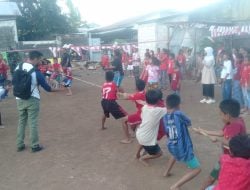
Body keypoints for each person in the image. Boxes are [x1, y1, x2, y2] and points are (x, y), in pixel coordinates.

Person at [197, 99, 246, 190]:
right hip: (230, 158)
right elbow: (222, 132)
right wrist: (205, 131)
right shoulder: (235, 121)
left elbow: (232, 143)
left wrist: (218, 139)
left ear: (227, 116)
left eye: (221, 114)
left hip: (232, 159)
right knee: (212, 178)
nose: (220, 116)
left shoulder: (234, 126)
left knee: (211, 178)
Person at [15, 51, 55, 153]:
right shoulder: (35, 71)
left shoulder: (18, 67)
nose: (40, 62)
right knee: (33, 123)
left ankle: (19, 144)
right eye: (40, 60)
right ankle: (34, 145)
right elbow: (47, 88)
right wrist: (55, 88)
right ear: (36, 59)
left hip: (19, 98)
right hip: (32, 98)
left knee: (22, 121)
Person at [163, 94, 201, 190]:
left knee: (174, 155)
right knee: (197, 169)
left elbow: (167, 131)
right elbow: (189, 122)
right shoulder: (179, 114)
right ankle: (176, 186)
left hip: (171, 144)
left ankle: (166, 172)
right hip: (183, 147)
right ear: (178, 105)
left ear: (166, 104)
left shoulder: (165, 116)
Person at [135, 89, 166, 166]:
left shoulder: (144, 107)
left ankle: (137, 154)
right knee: (159, 153)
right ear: (158, 101)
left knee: (142, 142)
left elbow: (146, 105)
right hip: (147, 138)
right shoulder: (159, 110)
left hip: (139, 133)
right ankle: (142, 158)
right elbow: (168, 109)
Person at [101, 71, 128, 143]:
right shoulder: (114, 84)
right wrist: (122, 93)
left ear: (105, 77)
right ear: (113, 78)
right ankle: (127, 138)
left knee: (105, 113)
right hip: (111, 103)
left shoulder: (104, 84)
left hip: (103, 102)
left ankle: (102, 126)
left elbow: (103, 92)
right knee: (126, 117)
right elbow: (119, 92)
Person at [118, 79, 146, 143]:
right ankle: (133, 133)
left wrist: (119, 94)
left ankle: (127, 139)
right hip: (144, 113)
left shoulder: (137, 95)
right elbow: (132, 95)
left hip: (142, 115)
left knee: (124, 120)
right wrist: (123, 93)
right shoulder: (144, 92)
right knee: (133, 120)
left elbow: (126, 97)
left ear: (136, 87)